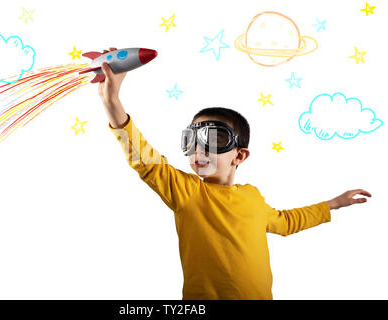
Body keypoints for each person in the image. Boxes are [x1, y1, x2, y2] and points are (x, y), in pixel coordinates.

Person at [96, 47, 372, 299]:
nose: (198, 150)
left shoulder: (252, 197)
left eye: (213, 139)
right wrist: (112, 101)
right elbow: (145, 160)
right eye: (191, 140)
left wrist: (335, 203)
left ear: (239, 155)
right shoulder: (187, 192)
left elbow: (286, 222)